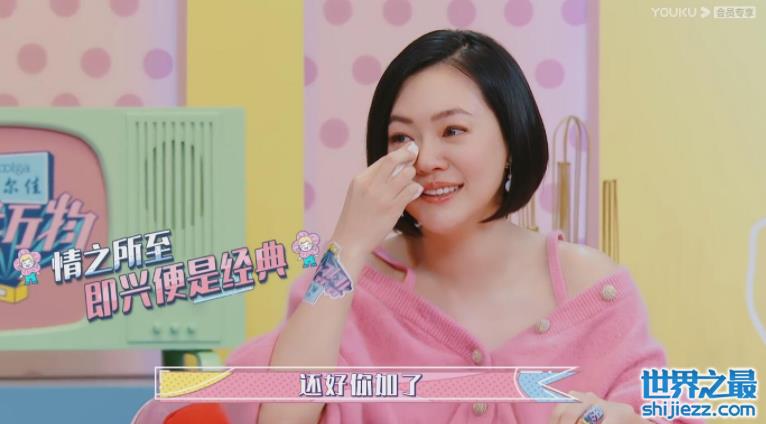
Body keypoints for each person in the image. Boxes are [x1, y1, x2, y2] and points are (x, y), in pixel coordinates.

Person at [134, 29, 702, 424]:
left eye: (453, 131)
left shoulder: (590, 289)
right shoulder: (352, 289)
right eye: (401, 138)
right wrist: (349, 244)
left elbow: (651, 408)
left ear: (511, 138)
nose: (424, 158)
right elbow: (282, 415)